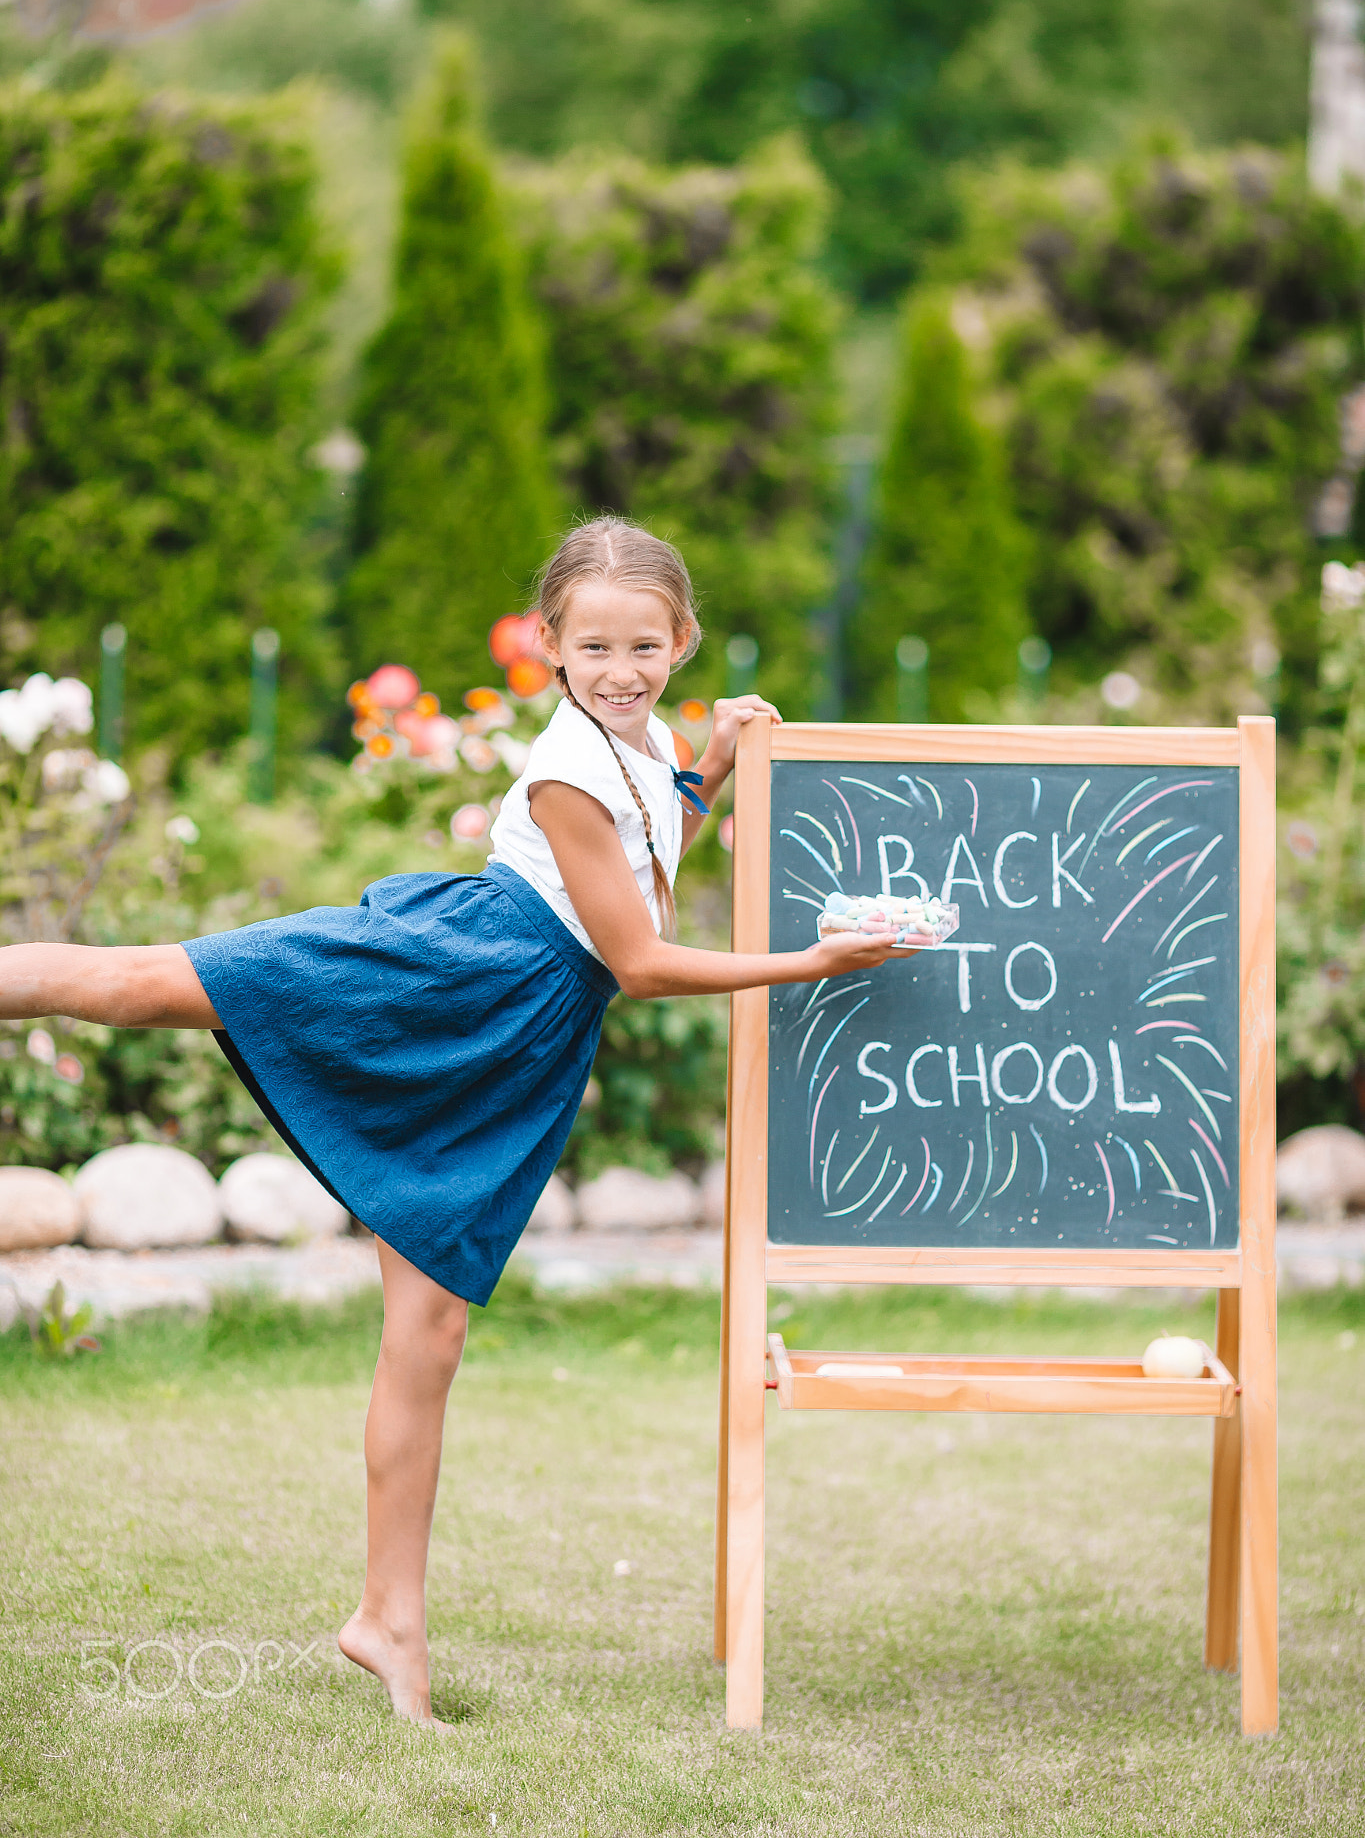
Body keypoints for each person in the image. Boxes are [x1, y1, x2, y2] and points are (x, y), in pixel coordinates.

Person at [0, 516, 908, 1729]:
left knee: (427, 1334)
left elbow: (638, 870)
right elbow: (637, 957)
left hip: (514, 1035)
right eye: (596, 645)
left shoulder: (634, 752)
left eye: (646, 643)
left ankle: (389, 1620)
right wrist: (811, 960)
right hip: (444, 976)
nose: (623, 666)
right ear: (551, 645)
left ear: (683, 640)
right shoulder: (567, 766)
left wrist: (709, 768)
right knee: (140, 980)